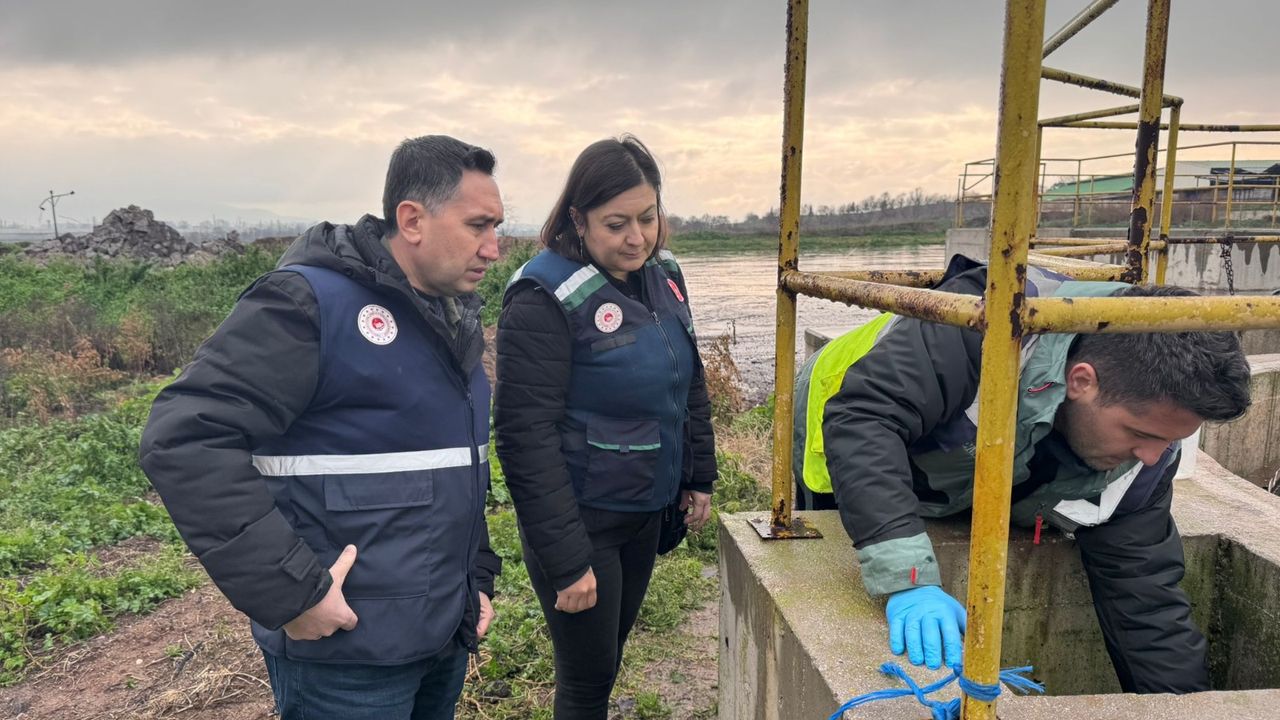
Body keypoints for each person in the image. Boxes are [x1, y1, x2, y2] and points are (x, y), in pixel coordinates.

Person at [139, 135, 505, 720]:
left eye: (497, 227)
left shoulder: (450, 317)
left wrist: (476, 578)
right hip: (345, 659)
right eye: (478, 226)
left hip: (441, 636)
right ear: (412, 220)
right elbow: (185, 436)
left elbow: (451, 467)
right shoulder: (308, 305)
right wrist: (290, 594)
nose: (494, 248)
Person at [792, 255, 1251, 694]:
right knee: (846, 553)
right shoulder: (983, 318)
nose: (1153, 457)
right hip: (845, 410)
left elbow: (1146, 603)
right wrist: (907, 578)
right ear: (1082, 381)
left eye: (1170, 440)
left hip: (978, 447)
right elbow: (866, 418)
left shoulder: (1148, 452)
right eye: (1141, 434)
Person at [494, 135, 717, 719]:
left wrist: (699, 475)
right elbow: (524, 437)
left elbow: (688, 380)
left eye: (648, 218)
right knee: (587, 682)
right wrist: (567, 560)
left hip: (643, 510)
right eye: (616, 224)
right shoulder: (543, 296)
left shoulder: (664, 273)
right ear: (578, 219)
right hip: (584, 522)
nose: (637, 237)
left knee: (609, 659)